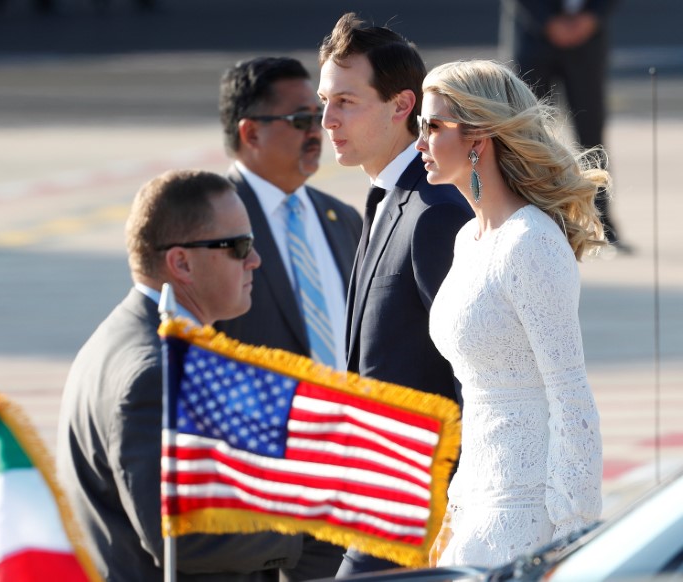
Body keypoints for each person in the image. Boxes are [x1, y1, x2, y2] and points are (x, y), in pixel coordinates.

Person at [56, 169, 307, 581]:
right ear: (181, 263)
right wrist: (300, 525)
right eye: (240, 246)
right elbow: (180, 538)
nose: (255, 260)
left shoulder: (124, 337)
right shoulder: (155, 373)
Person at [416, 59, 603, 568]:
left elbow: (572, 400)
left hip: (527, 516)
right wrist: (455, 508)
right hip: (474, 501)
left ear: (478, 137)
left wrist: (571, 540)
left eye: (432, 126)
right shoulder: (468, 239)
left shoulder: (531, 243)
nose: (419, 143)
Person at [317, 13, 473, 576]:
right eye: (325, 101)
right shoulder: (389, 197)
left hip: (416, 509)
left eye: (345, 102)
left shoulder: (435, 212)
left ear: (401, 105)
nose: (326, 119)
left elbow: (470, 369)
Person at [213, 55, 362, 581]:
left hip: (345, 493)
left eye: (319, 114)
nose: (319, 130)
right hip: (260, 504)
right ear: (251, 132)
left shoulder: (340, 219)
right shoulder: (208, 227)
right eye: (300, 119)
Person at [499, 0, 628, 252]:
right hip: (534, 36)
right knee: (528, 135)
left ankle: (600, 224)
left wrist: (592, 16)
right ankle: (527, 218)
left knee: (592, 135)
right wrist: (547, 20)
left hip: (587, 38)